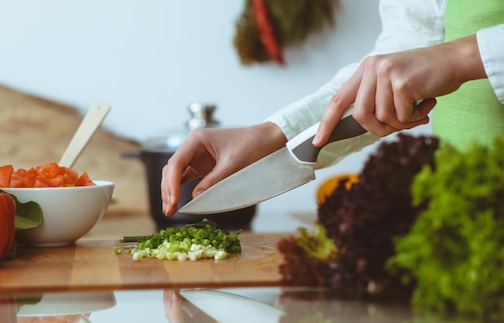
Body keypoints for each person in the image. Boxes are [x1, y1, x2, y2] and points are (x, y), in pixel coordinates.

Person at [161, 0, 504, 217]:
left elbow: (440, 57)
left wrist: (466, 57)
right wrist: (275, 135)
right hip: (465, 212)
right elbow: (408, 49)